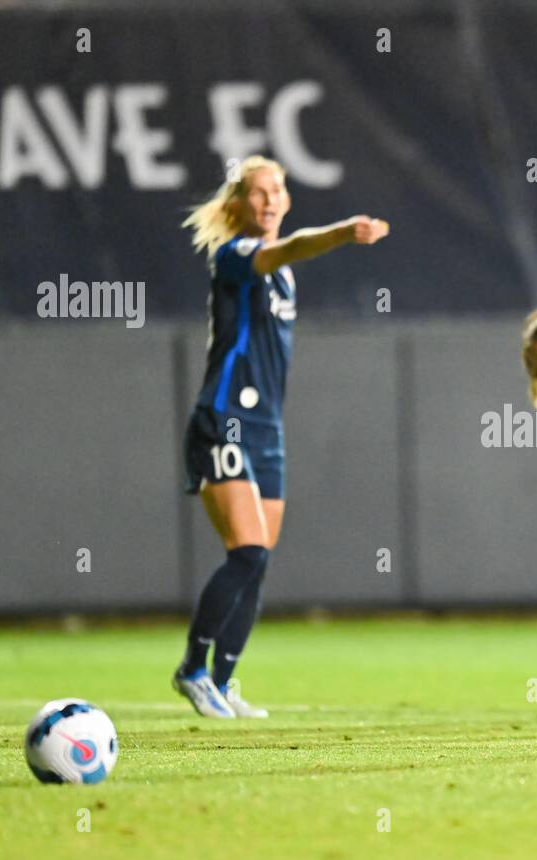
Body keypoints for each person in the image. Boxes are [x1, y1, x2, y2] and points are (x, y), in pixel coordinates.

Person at [174, 155, 388, 717]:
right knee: (245, 553)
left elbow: (287, 257)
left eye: (277, 190)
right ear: (237, 205)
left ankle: (222, 681)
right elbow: (287, 248)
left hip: (266, 429)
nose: (269, 200)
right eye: (258, 192)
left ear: (287, 199)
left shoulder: (283, 274)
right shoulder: (238, 255)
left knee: (258, 560)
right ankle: (193, 668)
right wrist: (344, 233)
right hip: (223, 420)